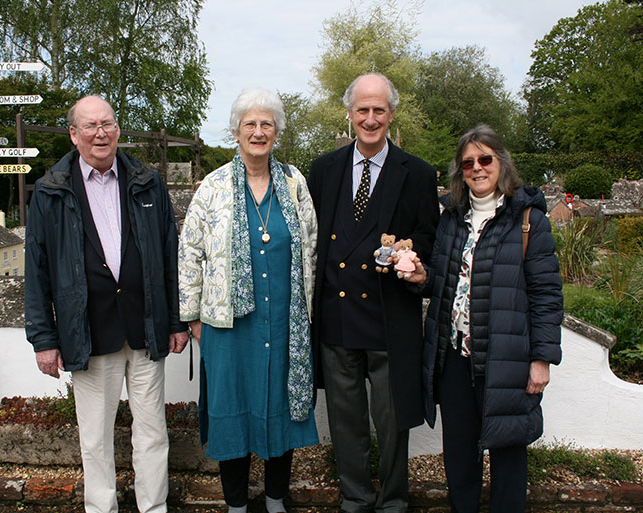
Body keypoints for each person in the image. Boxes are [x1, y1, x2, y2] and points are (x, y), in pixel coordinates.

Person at [25, 95, 189, 513]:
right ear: (74, 134)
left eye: (108, 124)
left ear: (117, 129)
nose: (101, 133)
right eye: (91, 126)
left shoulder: (147, 181)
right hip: (89, 331)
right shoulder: (51, 191)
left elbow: (169, 256)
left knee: (152, 432)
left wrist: (176, 321)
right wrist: (44, 339)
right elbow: (37, 268)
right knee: (94, 437)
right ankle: (102, 509)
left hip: (146, 327)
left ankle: (154, 508)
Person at [396, 124, 563, 513]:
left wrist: (542, 359)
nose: (477, 168)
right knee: (459, 454)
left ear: (500, 163)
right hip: (454, 357)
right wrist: (422, 278)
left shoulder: (528, 221)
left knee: (507, 453)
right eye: (468, 162)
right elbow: (441, 281)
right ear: (460, 170)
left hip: (506, 358)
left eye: (485, 159)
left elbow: (546, 294)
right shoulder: (451, 218)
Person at [178, 88, 318, 513]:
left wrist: (308, 311)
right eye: (250, 124)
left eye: (266, 124)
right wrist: (192, 316)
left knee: (282, 409)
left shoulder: (294, 183)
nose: (258, 132)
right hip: (227, 325)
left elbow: (310, 246)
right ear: (236, 131)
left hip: (285, 323)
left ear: (276, 132)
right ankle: (237, 505)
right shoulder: (214, 186)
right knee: (232, 414)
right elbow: (190, 252)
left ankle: (276, 501)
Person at [307, 73, 439, 513]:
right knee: (346, 422)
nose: (369, 118)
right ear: (349, 115)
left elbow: (428, 238)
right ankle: (356, 497)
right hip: (338, 319)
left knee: (392, 419)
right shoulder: (323, 169)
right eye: (362, 110)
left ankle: (395, 499)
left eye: (378, 110)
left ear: (391, 115)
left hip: (389, 318)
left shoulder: (417, 174)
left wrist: (414, 263)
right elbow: (312, 241)